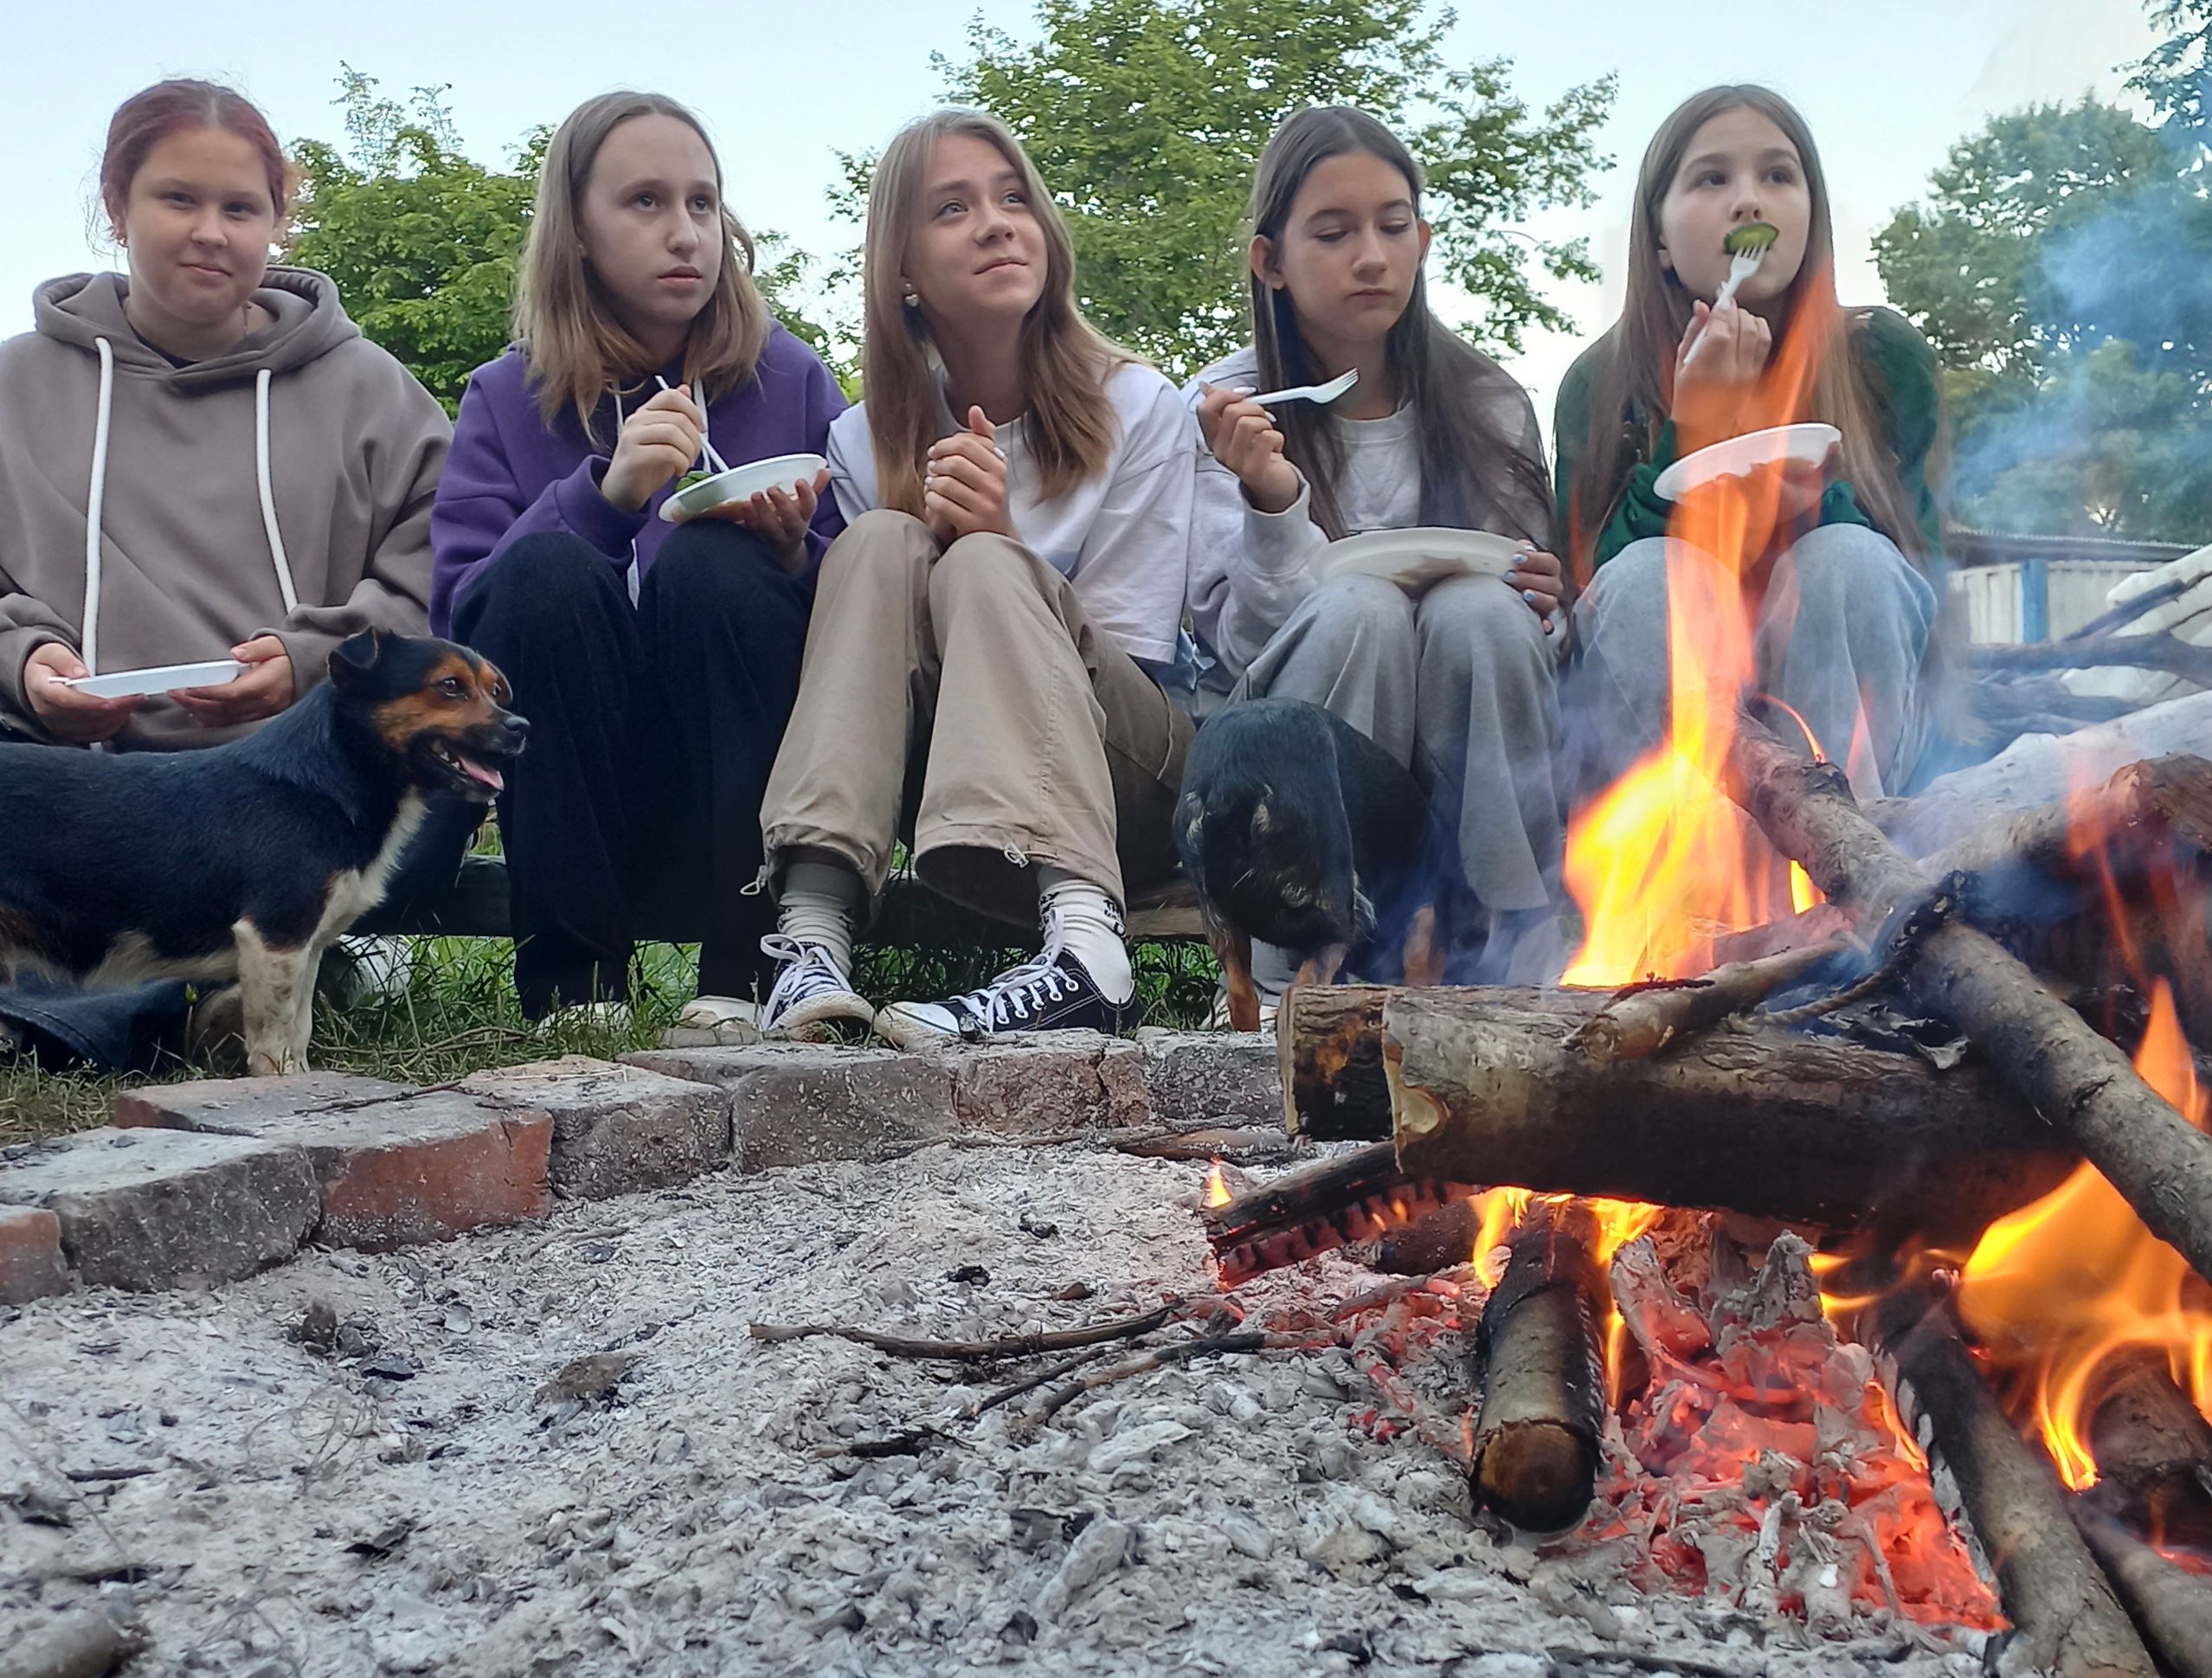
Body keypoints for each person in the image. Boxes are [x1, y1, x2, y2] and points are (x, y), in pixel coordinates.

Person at [0, 78, 448, 1073]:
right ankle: (183, 989)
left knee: (438, 776)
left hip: (272, 784)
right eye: (176, 199)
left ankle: (26, 1019)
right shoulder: (23, 379)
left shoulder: (369, 388)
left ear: (279, 221)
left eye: (240, 208)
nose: (209, 232)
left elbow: (443, 576)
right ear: (116, 207)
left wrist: (305, 661)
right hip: (47, 772)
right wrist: (22, 659)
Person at [754, 109, 1194, 1046]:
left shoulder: (1137, 405)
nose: (996, 223)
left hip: (1133, 778)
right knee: (875, 542)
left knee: (986, 560)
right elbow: (878, 682)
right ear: (902, 271)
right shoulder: (858, 439)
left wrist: (997, 543)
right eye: (951, 209)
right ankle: (809, 938)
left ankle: (1087, 953)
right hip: (955, 794)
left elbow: (1135, 657)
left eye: (1011, 199)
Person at [429, 93, 846, 1037]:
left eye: (702, 204)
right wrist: (603, 500)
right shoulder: (504, 395)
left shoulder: (789, 378)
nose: (684, 234)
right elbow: (463, 618)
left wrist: (791, 553)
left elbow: (861, 599)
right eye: (645, 203)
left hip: (739, 782)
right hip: (576, 796)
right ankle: (574, 992)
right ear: (576, 229)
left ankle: (742, 976)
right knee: (541, 571)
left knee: (714, 561)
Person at [1187, 106, 1569, 987]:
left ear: (1422, 240)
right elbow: (1242, 653)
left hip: (1458, 751)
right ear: (1269, 262)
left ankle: (1510, 956)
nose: (1371, 255)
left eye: (1393, 227)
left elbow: (1540, 642)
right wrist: (1271, 498)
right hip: (1290, 767)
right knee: (1359, 606)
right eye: (1333, 232)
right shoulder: (1225, 408)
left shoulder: (1486, 405)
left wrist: (1546, 603)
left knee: (1481, 608)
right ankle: (1315, 960)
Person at [1556, 84, 1947, 800]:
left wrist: (1796, 504)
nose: (1749, 201)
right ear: (1661, 240)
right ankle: (1688, 886)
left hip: (1859, 741)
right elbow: (1593, 593)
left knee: (1849, 559)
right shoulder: (1601, 383)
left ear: (1811, 216)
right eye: (1712, 178)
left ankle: (1845, 863)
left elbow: (1916, 573)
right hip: (1661, 763)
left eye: (1777, 175)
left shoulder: (1880, 357)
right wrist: (1692, 434)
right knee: (1649, 574)